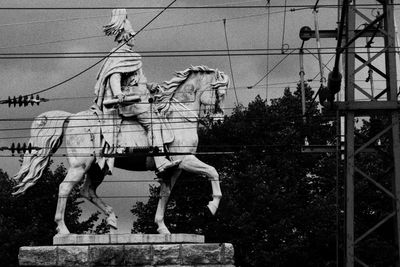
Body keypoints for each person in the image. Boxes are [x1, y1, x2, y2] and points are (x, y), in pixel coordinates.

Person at [94, 9, 178, 174]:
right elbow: (114, 77)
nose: (134, 37)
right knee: (153, 122)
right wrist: (118, 94)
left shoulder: (132, 56)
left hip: (139, 99)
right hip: (129, 102)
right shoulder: (119, 55)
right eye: (132, 34)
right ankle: (160, 162)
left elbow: (137, 81)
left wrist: (150, 86)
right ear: (126, 36)